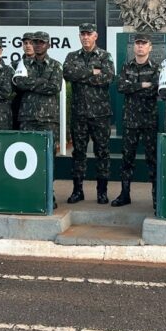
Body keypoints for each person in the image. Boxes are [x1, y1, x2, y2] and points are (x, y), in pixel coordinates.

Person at [63, 23, 115, 204]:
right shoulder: (72, 56)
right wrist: (92, 72)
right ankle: (78, 191)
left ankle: (102, 191)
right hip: (79, 114)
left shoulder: (105, 56)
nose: (85, 37)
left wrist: (83, 75)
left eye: (88, 34)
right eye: (82, 34)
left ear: (96, 36)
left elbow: (108, 77)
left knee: (103, 153)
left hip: (100, 114)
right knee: (79, 153)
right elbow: (68, 73)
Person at [111, 33, 159, 208]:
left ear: (150, 47)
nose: (140, 46)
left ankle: (156, 197)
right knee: (127, 159)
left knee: (152, 160)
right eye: (138, 43)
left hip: (149, 120)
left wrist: (134, 87)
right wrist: (142, 85)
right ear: (134, 47)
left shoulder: (156, 68)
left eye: (144, 43)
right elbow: (121, 87)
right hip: (130, 120)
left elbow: (154, 89)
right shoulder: (127, 66)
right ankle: (125, 194)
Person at [13, 31, 63, 147]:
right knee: (25, 151)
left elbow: (55, 87)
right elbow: (20, 83)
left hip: (48, 118)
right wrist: (43, 82)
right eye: (35, 42)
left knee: (49, 154)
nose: (38, 45)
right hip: (27, 117)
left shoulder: (56, 65)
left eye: (42, 42)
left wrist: (30, 82)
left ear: (48, 45)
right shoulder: (24, 64)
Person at [11, 32, 35, 129]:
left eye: (31, 43)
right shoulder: (14, 65)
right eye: (25, 43)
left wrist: (25, 83)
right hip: (19, 108)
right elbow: (14, 86)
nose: (28, 46)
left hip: (39, 111)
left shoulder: (44, 65)